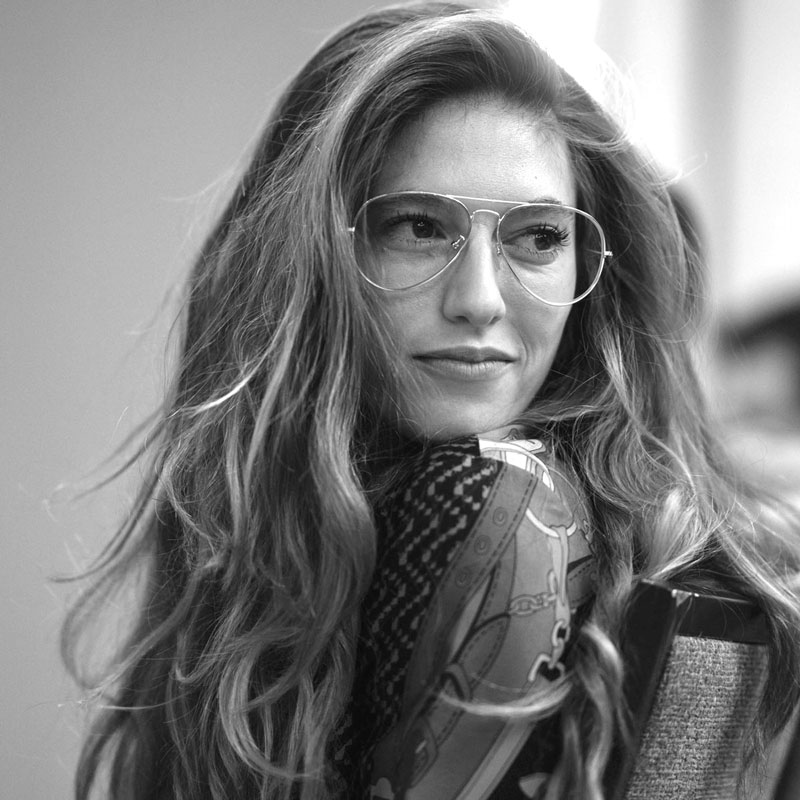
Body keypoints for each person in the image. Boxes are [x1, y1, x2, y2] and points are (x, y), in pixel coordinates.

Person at [62, 2, 800, 799]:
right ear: (309, 261)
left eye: (538, 237)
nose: (479, 299)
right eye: (418, 227)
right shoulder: (279, 530)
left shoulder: (504, 509)